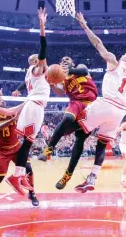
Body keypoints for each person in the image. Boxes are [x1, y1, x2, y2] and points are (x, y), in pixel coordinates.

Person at [74, 12, 126, 193]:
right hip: (120, 111)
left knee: (77, 128)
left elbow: (97, 43)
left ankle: (57, 156)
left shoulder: (115, 61)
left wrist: (84, 25)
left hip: (107, 103)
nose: (123, 54)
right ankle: (93, 177)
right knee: (101, 143)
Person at [6, 8, 50, 195]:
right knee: (27, 143)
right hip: (34, 106)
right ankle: (16, 175)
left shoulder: (32, 74)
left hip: (33, 105)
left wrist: (18, 89)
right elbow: (43, 49)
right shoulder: (36, 69)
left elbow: (24, 85)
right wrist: (42, 26)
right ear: (35, 63)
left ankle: (20, 174)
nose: (42, 60)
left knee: (27, 142)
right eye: (38, 60)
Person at [39, 61, 98, 190]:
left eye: (67, 60)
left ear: (72, 63)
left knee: (80, 140)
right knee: (68, 118)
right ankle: (49, 150)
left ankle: (67, 175)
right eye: (63, 61)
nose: (65, 62)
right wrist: (52, 84)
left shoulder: (80, 68)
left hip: (90, 105)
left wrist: (69, 70)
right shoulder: (63, 79)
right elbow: (60, 92)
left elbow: (83, 71)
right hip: (76, 103)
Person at [0, 97, 39, 207]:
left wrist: (31, 99)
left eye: (2, 99)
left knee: (29, 170)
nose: (2, 101)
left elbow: (23, 107)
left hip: (16, 147)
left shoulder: (11, 112)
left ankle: (32, 193)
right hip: (2, 151)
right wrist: (12, 120)